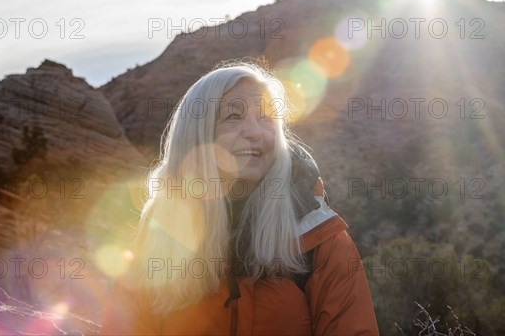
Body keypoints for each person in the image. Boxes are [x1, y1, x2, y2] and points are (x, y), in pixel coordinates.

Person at [102, 63, 379, 335]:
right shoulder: (159, 234)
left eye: (266, 117)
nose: (255, 132)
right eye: (234, 117)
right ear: (197, 136)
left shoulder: (319, 237)